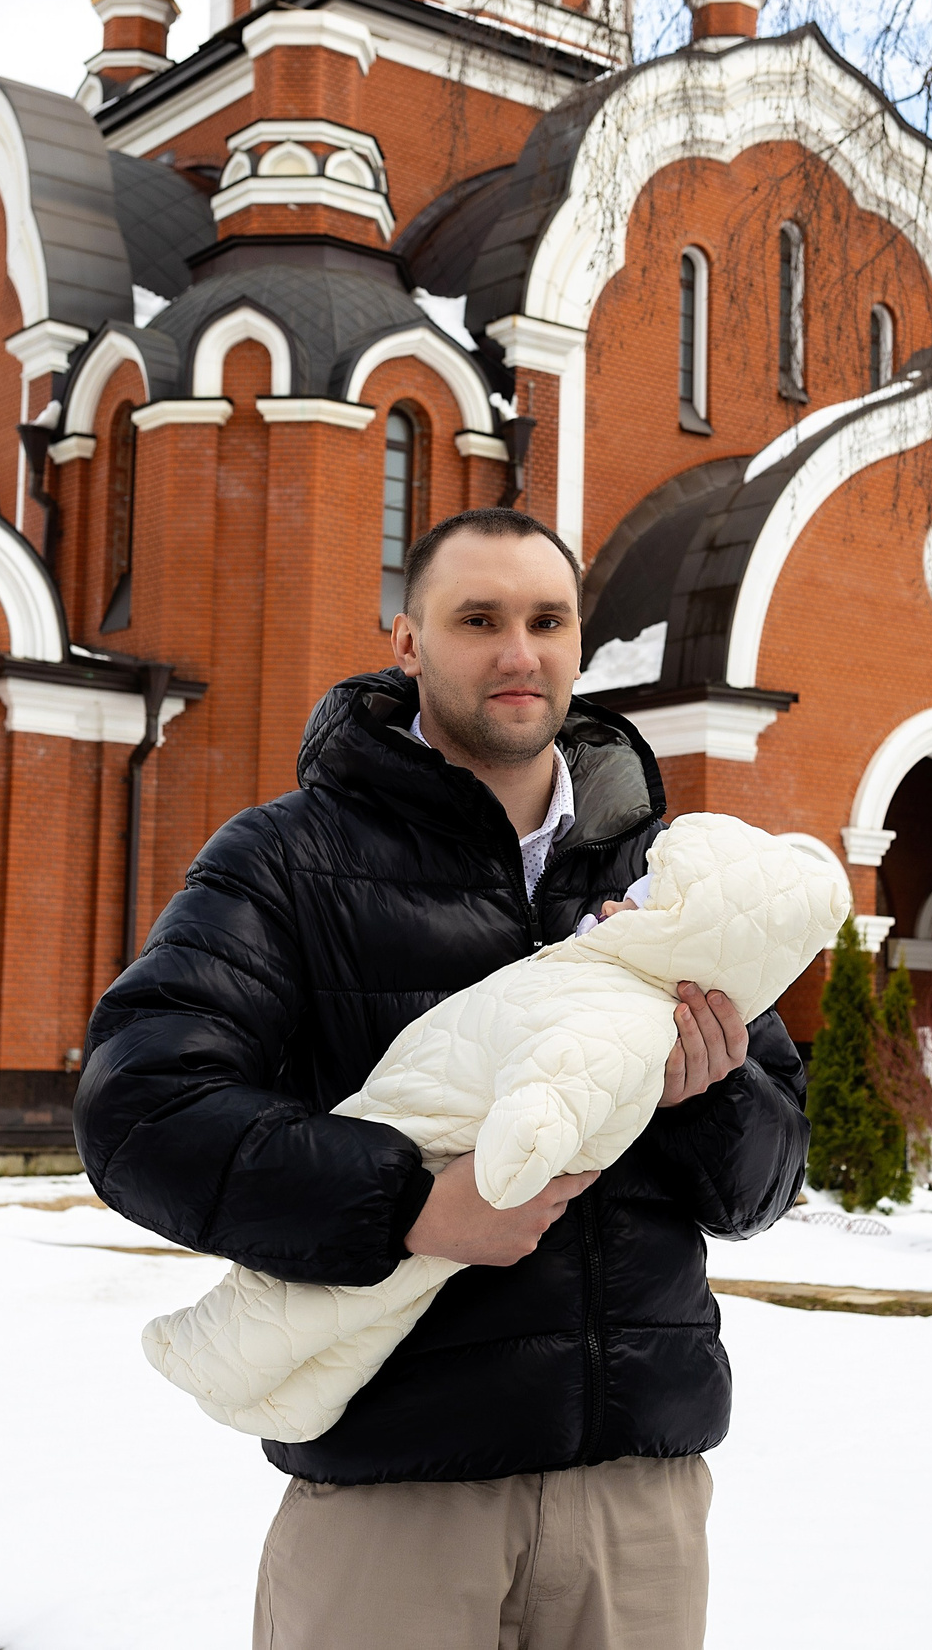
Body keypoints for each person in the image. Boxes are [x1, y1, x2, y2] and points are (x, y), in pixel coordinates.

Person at [74, 508, 811, 1649]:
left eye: (546, 620)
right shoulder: (287, 860)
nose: (518, 652)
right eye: (478, 619)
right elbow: (139, 1108)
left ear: (578, 644)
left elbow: (762, 1186)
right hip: (394, 1498)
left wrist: (708, 1093)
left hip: (634, 1504)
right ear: (407, 642)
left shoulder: (670, 874)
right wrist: (413, 1208)